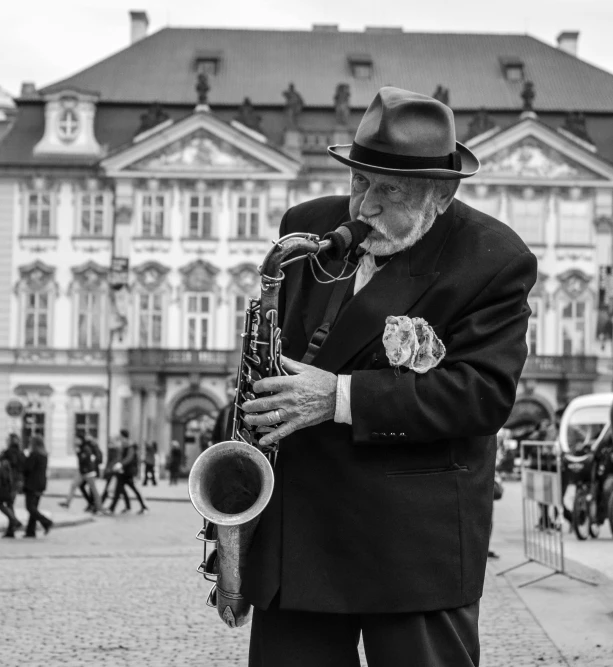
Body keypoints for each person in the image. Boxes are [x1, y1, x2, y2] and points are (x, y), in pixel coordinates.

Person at [240, 88, 537, 667]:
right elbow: (274, 358)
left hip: (411, 542)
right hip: (301, 532)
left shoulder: (494, 258)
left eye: (389, 190)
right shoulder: (305, 227)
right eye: (359, 182)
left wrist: (339, 397)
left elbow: (483, 395)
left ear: (442, 194)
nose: (363, 209)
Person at [59, 437, 105, 513]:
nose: (75, 441)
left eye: (77, 439)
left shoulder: (86, 448)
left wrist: (78, 453)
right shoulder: (82, 448)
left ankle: (99, 507)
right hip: (82, 472)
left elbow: (84, 459)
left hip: (88, 472)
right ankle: (67, 503)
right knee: (74, 485)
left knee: (94, 490)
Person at [109, 430, 148, 514]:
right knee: (119, 490)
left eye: (121, 436)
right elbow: (120, 457)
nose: (120, 438)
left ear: (124, 436)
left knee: (130, 490)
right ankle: (119, 507)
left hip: (128, 472)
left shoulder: (130, 446)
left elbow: (129, 458)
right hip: (123, 472)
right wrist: (116, 464)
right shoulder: (123, 446)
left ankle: (143, 507)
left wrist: (120, 464)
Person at [22, 435, 52, 538]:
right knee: (34, 507)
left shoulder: (34, 454)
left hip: (32, 483)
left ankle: (46, 521)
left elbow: (27, 468)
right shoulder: (44, 454)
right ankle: (30, 531)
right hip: (41, 483)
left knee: (30, 507)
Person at [0, 434, 25, 538]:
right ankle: (11, 530)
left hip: (8, 482)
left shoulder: (7, 453)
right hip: (18, 482)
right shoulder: (21, 453)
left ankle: (15, 522)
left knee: (3, 503)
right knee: (10, 504)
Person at [101, 436, 131, 511]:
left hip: (116, 471)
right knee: (120, 490)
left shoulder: (119, 449)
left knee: (113, 489)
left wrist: (112, 468)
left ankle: (100, 506)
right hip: (115, 471)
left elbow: (121, 460)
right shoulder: (116, 449)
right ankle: (125, 506)